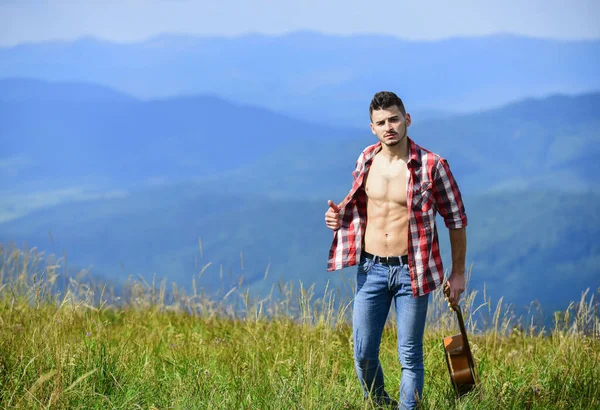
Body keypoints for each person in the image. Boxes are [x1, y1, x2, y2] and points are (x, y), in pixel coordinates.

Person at [324, 91, 468, 409]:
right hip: (370, 268)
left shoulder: (433, 165)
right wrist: (336, 218)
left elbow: (456, 218)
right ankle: (380, 403)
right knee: (362, 353)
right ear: (372, 128)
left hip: (412, 271)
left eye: (394, 119)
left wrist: (457, 273)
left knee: (410, 355)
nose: (389, 126)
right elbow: (358, 207)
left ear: (407, 120)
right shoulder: (366, 159)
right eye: (381, 122)